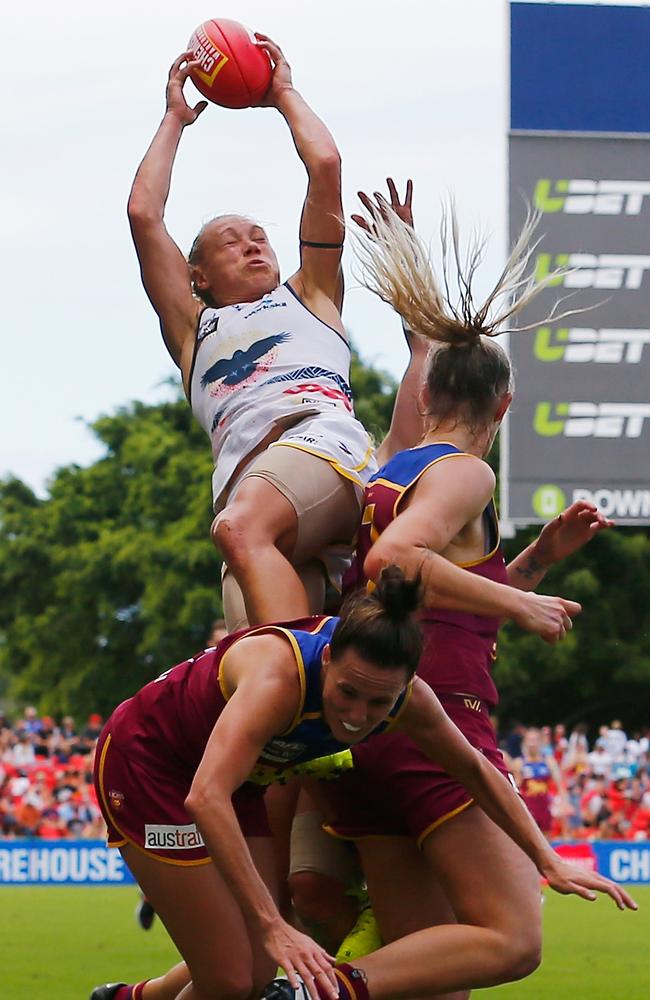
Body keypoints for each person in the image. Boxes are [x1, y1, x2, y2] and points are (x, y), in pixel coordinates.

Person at [291, 199, 622, 1000]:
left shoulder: (392, 470)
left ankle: (328, 985)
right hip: (440, 727)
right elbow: (406, 563)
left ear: (427, 388)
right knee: (512, 940)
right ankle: (312, 989)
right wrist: (525, 607)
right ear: (503, 407)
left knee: (434, 975)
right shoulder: (467, 473)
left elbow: (429, 582)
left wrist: (537, 560)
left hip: (372, 733)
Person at [89, 569, 632, 1000]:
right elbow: (205, 796)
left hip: (236, 782)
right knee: (231, 981)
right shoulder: (279, 678)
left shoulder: (410, 699)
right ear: (327, 658)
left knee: (252, 978)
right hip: (149, 769)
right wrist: (274, 923)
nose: (356, 716)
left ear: (407, 684)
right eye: (347, 692)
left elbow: (475, 770)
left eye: (379, 703)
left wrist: (547, 858)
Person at [128, 39, 422, 631]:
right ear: (198, 276)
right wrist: (173, 120)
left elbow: (326, 167)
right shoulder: (193, 330)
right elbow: (144, 215)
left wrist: (283, 92)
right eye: (232, 240)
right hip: (256, 497)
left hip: (322, 454)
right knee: (253, 654)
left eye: (259, 235)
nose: (253, 243)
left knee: (239, 532)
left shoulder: (310, 293)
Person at [513, 727, 565, 837]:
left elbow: (560, 784)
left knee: (546, 841)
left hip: (545, 807)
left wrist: (563, 803)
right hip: (528, 808)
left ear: (540, 742)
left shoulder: (549, 761)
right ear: (525, 742)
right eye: (529, 740)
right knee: (528, 839)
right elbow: (515, 787)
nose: (532, 743)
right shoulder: (519, 762)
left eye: (535, 740)